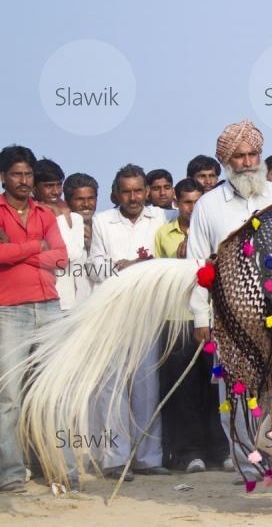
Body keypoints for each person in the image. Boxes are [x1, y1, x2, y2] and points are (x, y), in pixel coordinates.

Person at [187, 120, 272, 483]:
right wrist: (201, 316)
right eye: (239, 156)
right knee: (239, 392)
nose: (248, 162)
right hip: (231, 315)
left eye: (253, 154)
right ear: (226, 162)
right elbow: (198, 264)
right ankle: (250, 464)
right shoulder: (208, 206)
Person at [89, 164, 171, 480]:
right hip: (112, 312)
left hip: (148, 311)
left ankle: (149, 458)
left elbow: (168, 259)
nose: (133, 197)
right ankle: (114, 458)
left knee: (147, 387)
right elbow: (95, 267)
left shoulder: (162, 218)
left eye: (139, 190)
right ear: (116, 193)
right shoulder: (102, 222)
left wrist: (137, 266)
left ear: (147, 192)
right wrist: (122, 266)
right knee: (111, 388)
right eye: (127, 191)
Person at [0, 145, 68, 493]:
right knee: (9, 397)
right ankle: (11, 474)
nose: (24, 180)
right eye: (17, 174)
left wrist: (17, 252)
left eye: (28, 174)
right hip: (9, 310)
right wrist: (35, 248)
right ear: (3, 178)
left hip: (50, 307)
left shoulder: (45, 213)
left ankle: (57, 468)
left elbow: (61, 260)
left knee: (52, 392)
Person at [154, 178, 228, 473]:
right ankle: (188, 453)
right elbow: (157, 274)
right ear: (176, 203)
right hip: (177, 319)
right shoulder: (163, 234)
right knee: (183, 389)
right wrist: (178, 258)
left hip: (212, 317)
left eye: (199, 201)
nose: (193, 207)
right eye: (187, 202)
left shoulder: (215, 232)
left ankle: (221, 449)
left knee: (215, 387)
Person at [32, 159, 85, 311]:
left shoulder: (74, 218)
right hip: (32, 301)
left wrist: (59, 215)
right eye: (49, 186)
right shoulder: (29, 216)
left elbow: (71, 254)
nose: (56, 191)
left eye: (58, 184)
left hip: (66, 303)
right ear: (34, 188)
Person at [63, 173, 98, 303]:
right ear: (67, 200)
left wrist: (92, 245)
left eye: (91, 198)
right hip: (66, 308)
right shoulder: (59, 228)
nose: (86, 204)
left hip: (97, 306)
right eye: (79, 199)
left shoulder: (104, 228)